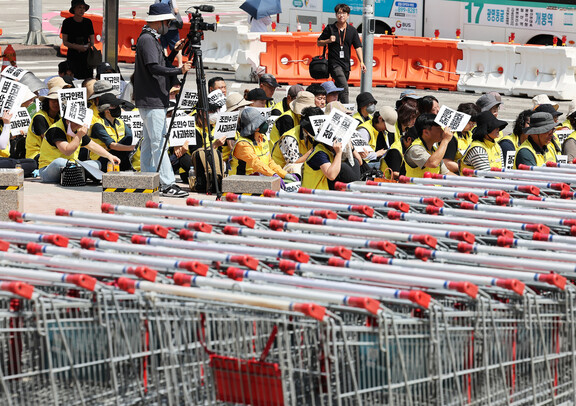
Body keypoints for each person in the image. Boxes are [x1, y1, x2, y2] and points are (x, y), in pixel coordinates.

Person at [134, 2, 192, 198]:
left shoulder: (150, 38)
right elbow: (154, 68)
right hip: (152, 98)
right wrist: (179, 70)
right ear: (159, 22)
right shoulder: (148, 40)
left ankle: (148, 179)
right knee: (158, 141)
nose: (169, 26)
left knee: (151, 142)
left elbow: (160, 64)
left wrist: (175, 52)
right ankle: (167, 183)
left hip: (152, 98)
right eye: (168, 22)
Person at [38, 112, 120, 183]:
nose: (79, 126)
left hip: (73, 166)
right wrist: (79, 135)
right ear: (68, 121)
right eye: (77, 124)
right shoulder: (55, 130)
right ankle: (79, 173)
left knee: (96, 164)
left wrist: (110, 156)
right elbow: (67, 151)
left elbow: (92, 145)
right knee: (60, 162)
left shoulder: (77, 129)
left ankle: (76, 173)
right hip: (48, 170)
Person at [229, 108, 297, 184]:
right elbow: (256, 163)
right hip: (241, 181)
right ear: (255, 128)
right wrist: (273, 175)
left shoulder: (263, 138)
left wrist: (284, 174)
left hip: (260, 177)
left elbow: (269, 162)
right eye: (261, 122)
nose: (265, 124)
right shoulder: (243, 144)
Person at [317, 3, 366, 104]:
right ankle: (346, 110)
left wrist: (362, 62)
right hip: (334, 64)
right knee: (344, 87)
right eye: (339, 13)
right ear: (336, 15)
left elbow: (358, 47)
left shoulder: (352, 31)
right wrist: (328, 41)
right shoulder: (330, 28)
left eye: (344, 13)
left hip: (346, 65)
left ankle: (333, 107)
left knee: (339, 89)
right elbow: (319, 42)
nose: (341, 15)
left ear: (348, 15)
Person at [89, 93, 136, 171]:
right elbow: (112, 145)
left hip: (119, 156)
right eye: (115, 106)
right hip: (103, 159)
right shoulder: (98, 125)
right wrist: (133, 148)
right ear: (107, 110)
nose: (118, 108)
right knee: (128, 141)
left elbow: (131, 138)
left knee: (129, 139)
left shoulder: (120, 122)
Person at [271, 106, 323, 173]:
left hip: (305, 165)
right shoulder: (289, 137)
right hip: (281, 171)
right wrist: (314, 149)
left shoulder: (315, 134)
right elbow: (294, 162)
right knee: (295, 168)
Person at [404, 113, 455, 177]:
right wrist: (445, 140)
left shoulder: (434, 151)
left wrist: (467, 181)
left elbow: (446, 173)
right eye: (439, 128)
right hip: (417, 186)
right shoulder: (415, 149)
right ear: (426, 132)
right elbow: (433, 163)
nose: (442, 131)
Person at [26, 88, 62, 163]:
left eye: (58, 101)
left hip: (51, 152)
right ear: (47, 102)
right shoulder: (39, 117)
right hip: (36, 155)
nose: (56, 104)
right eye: (53, 101)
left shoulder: (59, 117)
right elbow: (48, 141)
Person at [61, 0, 95, 79]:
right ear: (74, 9)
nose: (82, 10)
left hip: (86, 56)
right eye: (79, 7)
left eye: (83, 8)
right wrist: (77, 47)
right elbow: (65, 42)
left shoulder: (88, 22)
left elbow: (92, 40)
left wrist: (87, 46)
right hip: (73, 55)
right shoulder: (67, 22)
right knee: (74, 77)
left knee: (87, 78)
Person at [442, 102, 480, 173]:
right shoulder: (451, 136)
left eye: (474, 123)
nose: (472, 126)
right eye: (470, 123)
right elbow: (447, 163)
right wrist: (468, 170)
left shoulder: (470, 134)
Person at [155, 0, 183, 68]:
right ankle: (180, 63)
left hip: (162, 26)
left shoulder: (158, 0)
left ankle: (165, 63)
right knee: (177, 45)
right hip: (172, 27)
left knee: (164, 47)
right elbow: (175, 10)